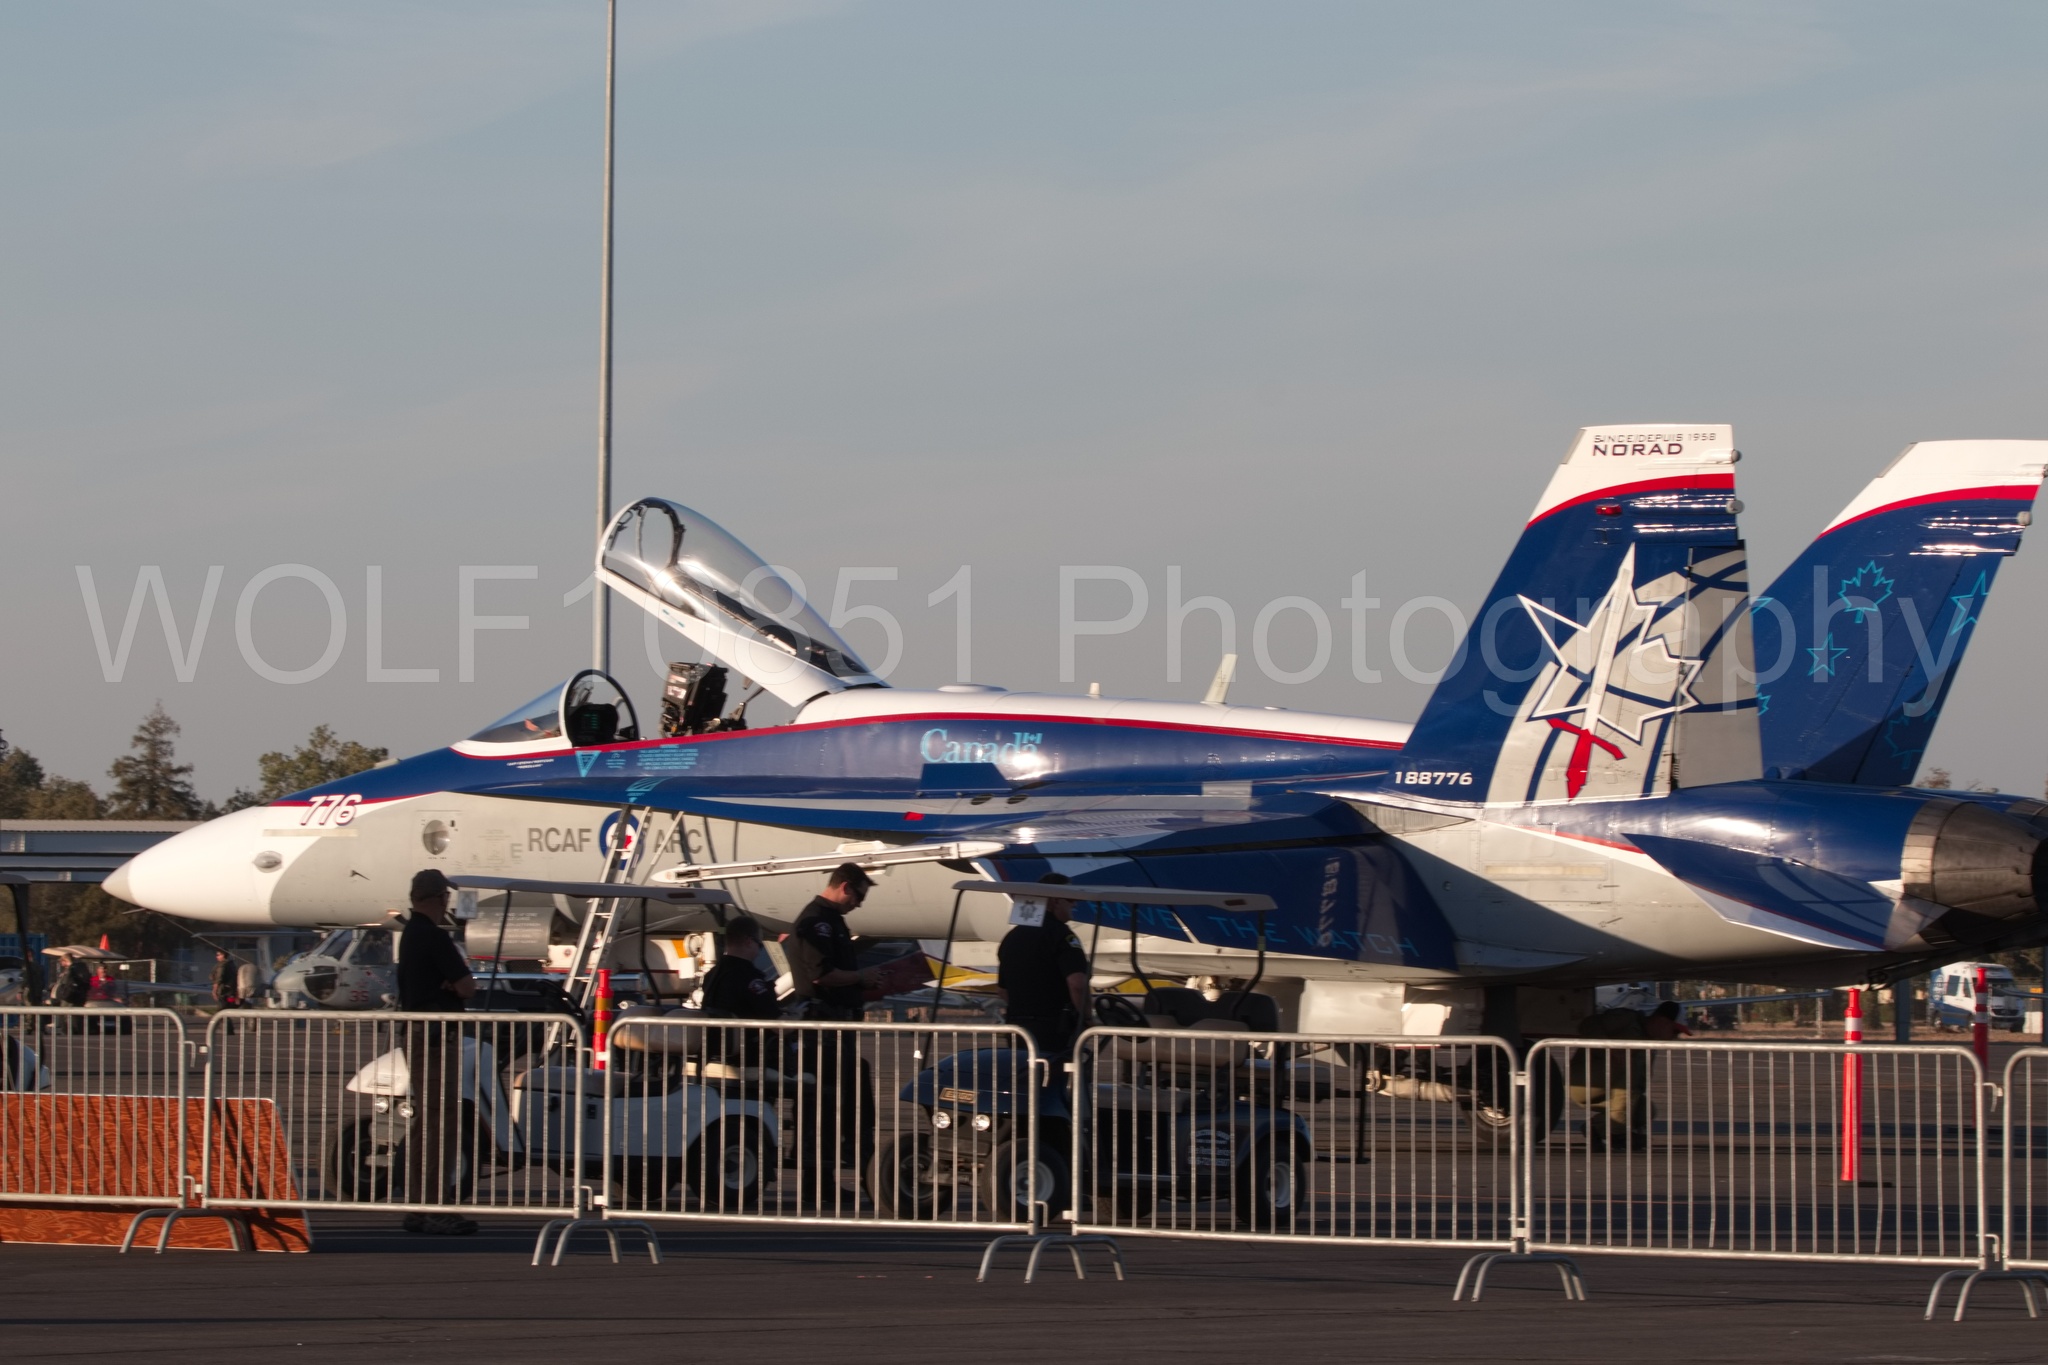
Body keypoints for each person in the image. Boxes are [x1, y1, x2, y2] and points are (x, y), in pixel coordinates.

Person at [784, 865, 880, 1207]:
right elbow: (822, 976)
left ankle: (827, 1182)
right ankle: (818, 1184)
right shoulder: (817, 923)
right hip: (824, 1025)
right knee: (821, 1103)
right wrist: (860, 978)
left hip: (836, 1024)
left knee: (838, 1099)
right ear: (844, 887)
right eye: (859, 896)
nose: (860, 904)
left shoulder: (831, 922)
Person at [396, 868, 477, 1236]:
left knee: (427, 1120)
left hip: (418, 1035)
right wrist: (454, 985)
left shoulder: (411, 934)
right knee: (441, 1122)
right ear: (439, 898)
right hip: (435, 1037)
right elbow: (466, 986)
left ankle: (417, 1203)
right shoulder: (433, 936)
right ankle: (435, 1204)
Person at [995, 873, 1090, 1056]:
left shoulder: (1011, 938)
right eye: (1071, 898)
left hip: (1017, 1028)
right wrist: (1086, 1018)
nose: (1075, 904)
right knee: (1057, 1079)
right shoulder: (1062, 936)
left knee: (1022, 1080)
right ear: (1055, 901)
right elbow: (1077, 983)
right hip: (1052, 1030)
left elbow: (1002, 991)